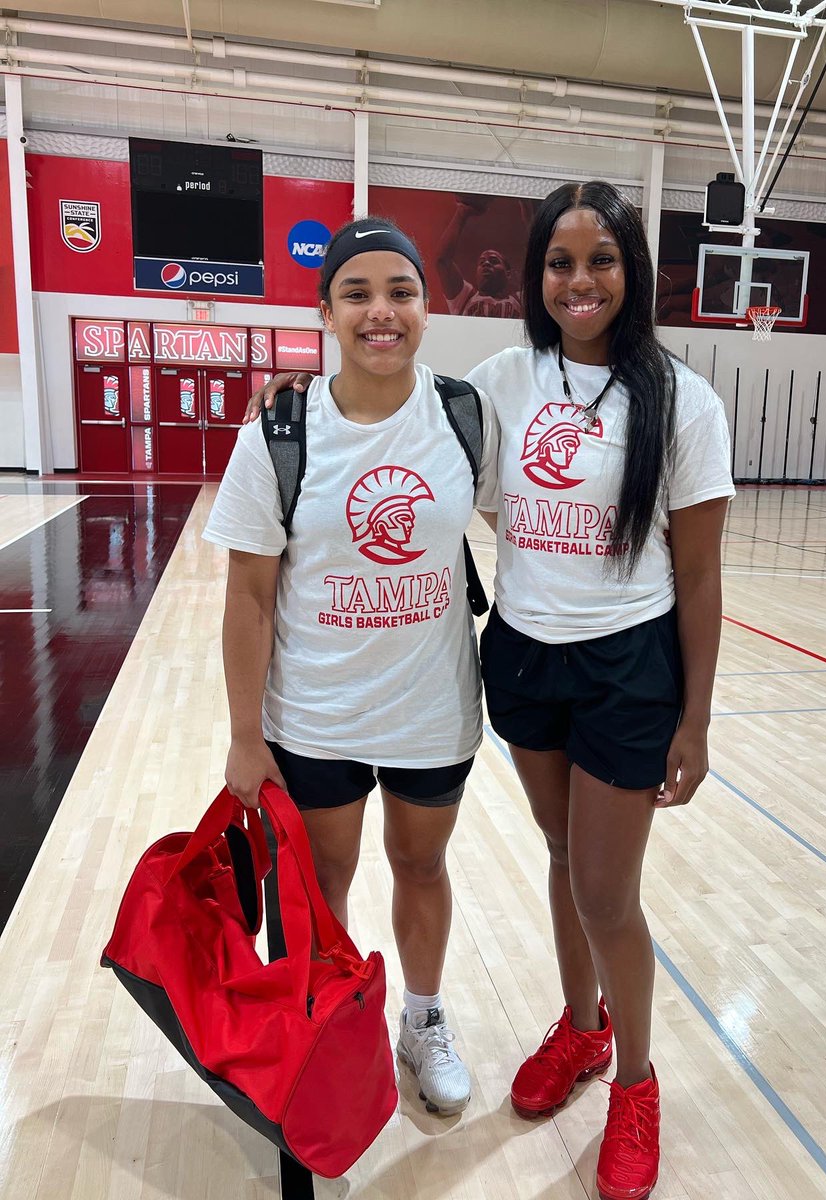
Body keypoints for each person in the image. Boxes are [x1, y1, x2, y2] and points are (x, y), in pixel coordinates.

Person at [247, 181, 734, 1200]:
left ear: (631, 273)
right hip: (521, 655)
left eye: (601, 261)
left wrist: (696, 714)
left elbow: (700, 573)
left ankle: (635, 1085)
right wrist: (287, 396)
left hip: (628, 666)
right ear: (535, 279)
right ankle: (582, 1028)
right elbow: (390, 401)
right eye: (560, 263)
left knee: (607, 891)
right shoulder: (502, 382)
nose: (581, 281)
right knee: (563, 859)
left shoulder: (685, 400)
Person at [204, 217, 498, 1118]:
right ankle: (330, 1024)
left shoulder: (464, 414)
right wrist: (244, 737)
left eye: (401, 292)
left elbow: (528, 524)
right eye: (358, 294)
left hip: (432, 709)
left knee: (421, 866)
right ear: (324, 310)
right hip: (317, 712)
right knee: (324, 883)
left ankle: (421, 1017)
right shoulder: (279, 432)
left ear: (425, 305)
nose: (382, 311)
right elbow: (250, 596)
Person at [436, 194, 524, 318]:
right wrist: (462, 212)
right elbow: (443, 260)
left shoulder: (521, 300)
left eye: (494, 261)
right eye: (482, 262)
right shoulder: (465, 297)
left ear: (508, 272)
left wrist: (529, 213)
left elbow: (541, 264)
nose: (486, 264)